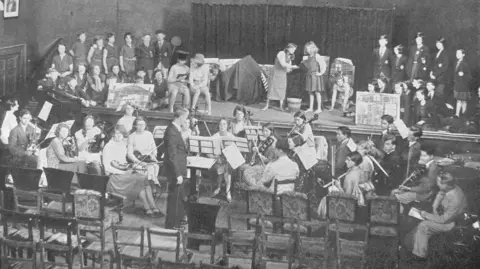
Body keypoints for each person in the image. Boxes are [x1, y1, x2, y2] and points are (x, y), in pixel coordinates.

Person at [407, 172, 468, 260]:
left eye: (439, 182)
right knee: (420, 224)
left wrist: (426, 215)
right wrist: (434, 207)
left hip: (451, 223)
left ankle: (420, 256)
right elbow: (440, 194)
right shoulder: (449, 188)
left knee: (423, 225)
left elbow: (444, 220)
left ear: (446, 184)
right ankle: (417, 243)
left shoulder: (456, 200)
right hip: (442, 215)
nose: (437, 183)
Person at [103, 124, 160, 216]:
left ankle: (153, 206)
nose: (119, 136)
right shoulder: (108, 146)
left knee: (144, 178)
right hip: (115, 177)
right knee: (140, 179)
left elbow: (126, 159)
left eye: (121, 134)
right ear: (113, 134)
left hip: (125, 173)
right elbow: (107, 167)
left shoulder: (122, 143)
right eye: (116, 133)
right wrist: (123, 172)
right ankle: (147, 207)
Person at [317, 151, 367, 218]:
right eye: (346, 159)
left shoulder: (349, 176)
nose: (346, 161)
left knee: (326, 196)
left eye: (348, 160)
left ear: (355, 162)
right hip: (361, 205)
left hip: (351, 207)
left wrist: (339, 186)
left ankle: (325, 216)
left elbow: (347, 197)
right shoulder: (360, 171)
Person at [164, 107, 189, 229]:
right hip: (176, 171)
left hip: (179, 169)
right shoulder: (172, 131)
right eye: (185, 118)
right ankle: (172, 224)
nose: (186, 120)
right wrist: (178, 174)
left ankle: (177, 221)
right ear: (179, 118)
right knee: (175, 198)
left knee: (178, 197)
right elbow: (172, 155)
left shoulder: (176, 130)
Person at [392, 144, 439, 210]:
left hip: (423, 195)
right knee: (394, 191)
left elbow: (426, 188)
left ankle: (398, 213)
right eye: (421, 155)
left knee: (395, 196)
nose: (421, 157)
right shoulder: (427, 165)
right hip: (419, 190)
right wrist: (406, 187)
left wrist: (408, 188)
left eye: (424, 156)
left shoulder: (432, 169)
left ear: (431, 156)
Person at [263, 43, 298, 111]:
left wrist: (292, 69)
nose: (293, 51)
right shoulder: (281, 53)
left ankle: (281, 107)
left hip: (283, 75)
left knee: (282, 90)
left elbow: (287, 68)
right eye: (292, 49)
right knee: (271, 89)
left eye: (294, 50)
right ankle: (266, 105)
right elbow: (283, 63)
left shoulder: (290, 56)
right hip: (275, 73)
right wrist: (292, 66)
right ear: (288, 48)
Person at [127, 117, 160, 188]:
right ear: (135, 126)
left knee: (155, 166)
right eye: (139, 125)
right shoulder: (131, 136)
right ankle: (148, 185)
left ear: (145, 125)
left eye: (143, 125)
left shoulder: (149, 134)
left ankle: (151, 185)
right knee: (149, 168)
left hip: (148, 158)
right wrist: (139, 162)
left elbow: (154, 148)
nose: (141, 127)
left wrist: (153, 155)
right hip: (138, 159)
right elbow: (129, 154)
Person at [210, 118, 235, 202]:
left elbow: (234, 152)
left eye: (224, 124)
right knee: (221, 166)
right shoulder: (214, 136)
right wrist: (215, 158)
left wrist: (228, 158)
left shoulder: (231, 137)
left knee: (227, 168)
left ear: (227, 125)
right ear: (218, 125)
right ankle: (219, 187)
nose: (222, 126)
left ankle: (227, 191)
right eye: (221, 124)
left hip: (228, 160)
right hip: (217, 160)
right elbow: (208, 152)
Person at [302, 41, 327, 113]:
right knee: (310, 93)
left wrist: (320, 73)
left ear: (313, 48)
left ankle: (319, 108)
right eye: (307, 49)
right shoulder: (308, 57)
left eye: (309, 49)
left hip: (315, 77)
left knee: (317, 92)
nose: (308, 50)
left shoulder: (317, 56)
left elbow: (324, 65)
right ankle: (310, 107)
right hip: (309, 76)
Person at [453, 49, 471, 117]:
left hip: (463, 86)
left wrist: (463, 74)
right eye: (456, 53)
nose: (457, 54)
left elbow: (469, 76)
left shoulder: (465, 64)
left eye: (459, 53)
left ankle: (464, 115)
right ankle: (457, 114)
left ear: (463, 55)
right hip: (457, 85)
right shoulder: (456, 62)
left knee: (463, 101)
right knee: (458, 100)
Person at [0, 98, 19, 163]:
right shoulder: (12, 117)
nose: (18, 105)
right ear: (11, 107)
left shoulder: (5, 113)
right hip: (7, 142)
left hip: (2, 139)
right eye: (17, 104)